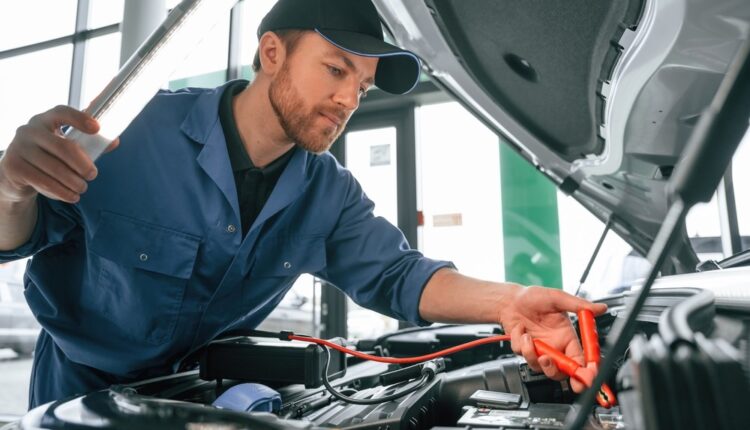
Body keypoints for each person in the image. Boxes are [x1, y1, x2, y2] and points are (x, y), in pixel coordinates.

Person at [0, 0, 606, 408]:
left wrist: (514, 303)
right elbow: (15, 235)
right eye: (336, 70)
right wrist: (10, 186)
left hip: (194, 396)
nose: (349, 99)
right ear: (271, 54)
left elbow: (399, 276)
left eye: (361, 87)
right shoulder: (134, 133)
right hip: (76, 397)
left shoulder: (328, 193)